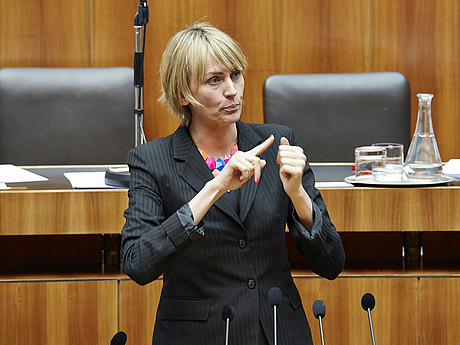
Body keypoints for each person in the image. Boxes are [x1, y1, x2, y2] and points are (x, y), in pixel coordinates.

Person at [121, 22, 345, 345]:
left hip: (277, 332)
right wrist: (213, 189)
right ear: (184, 94)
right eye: (215, 80)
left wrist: (298, 196)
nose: (232, 90)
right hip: (199, 335)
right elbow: (137, 262)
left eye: (236, 75)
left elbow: (332, 262)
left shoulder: (279, 143)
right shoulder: (153, 161)